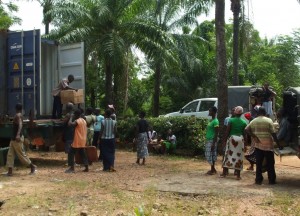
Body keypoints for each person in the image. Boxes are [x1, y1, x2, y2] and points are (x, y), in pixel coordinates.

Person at [245, 106, 281, 185]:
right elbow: (273, 133)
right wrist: (278, 144)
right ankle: (271, 180)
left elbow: (246, 129)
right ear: (265, 113)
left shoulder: (254, 121)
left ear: (258, 113)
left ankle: (258, 180)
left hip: (258, 145)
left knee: (259, 163)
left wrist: (254, 136)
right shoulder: (269, 120)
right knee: (270, 163)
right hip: (268, 146)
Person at [6, 103, 36, 176]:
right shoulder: (20, 115)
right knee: (10, 155)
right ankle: (10, 172)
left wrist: (18, 134)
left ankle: (32, 166)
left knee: (21, 155)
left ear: (16, 108)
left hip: (16, 139)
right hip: (13, 139)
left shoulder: (18, 115)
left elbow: (20, 124)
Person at [221, 106, 247, 180]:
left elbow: (227, 131)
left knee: (227, 154)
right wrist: (245, 145)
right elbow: (245, 134)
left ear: (235, 112)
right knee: (239, 157)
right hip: (240, 140)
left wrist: (224, 140)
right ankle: (238, 175)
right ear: (242, 113)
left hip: (232, 139)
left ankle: (224, 173)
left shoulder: (231, 120)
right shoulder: (244, 122)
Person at [65, 109, 89, 173]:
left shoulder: (77, 121)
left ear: (76, 115)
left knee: (71, 152)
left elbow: (69, 124)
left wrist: (70, 118)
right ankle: (86, 167)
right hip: (83, 139)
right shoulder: (84, 120)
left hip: (77, 139)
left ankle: (71, 168)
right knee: (83, 153)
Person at [245, 105, 260, 171]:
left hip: (254, 137)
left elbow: (247, 129)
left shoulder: (253, 119)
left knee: (251, 152)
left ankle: (252, 166)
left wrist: (252, 135)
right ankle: (255, 166)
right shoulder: (264, 118)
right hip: (260, 137)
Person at [205, 106, 219, 175]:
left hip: (212, 140)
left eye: (210, 111)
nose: (209, 112)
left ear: (214, 112)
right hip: (208, 139)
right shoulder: (211, 120)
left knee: (211, 154)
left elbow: (216, 133)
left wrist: (214, 142)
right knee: (210, 154)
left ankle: (212, 169)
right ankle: (213, 169)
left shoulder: (216, 121)